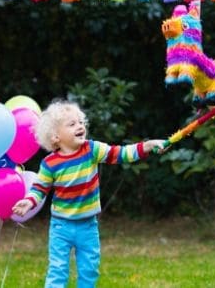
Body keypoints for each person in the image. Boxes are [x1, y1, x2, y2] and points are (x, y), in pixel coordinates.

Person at [12, 99, 167, 288]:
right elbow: (39, 188)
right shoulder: (50, 163)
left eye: (80, 122)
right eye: (72, 124)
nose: (80, 126)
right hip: (61, 227)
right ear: (55, 137)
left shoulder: (91, 149)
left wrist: (149, 145)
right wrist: (29, 202)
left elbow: (122, 153)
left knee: (89, 270)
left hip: (88, 226)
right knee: (58, 271)